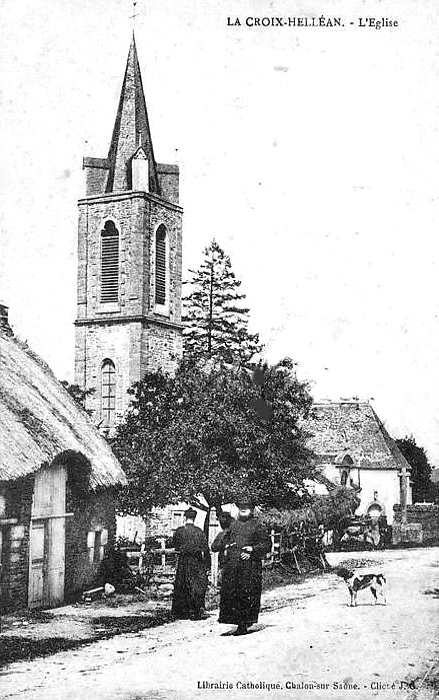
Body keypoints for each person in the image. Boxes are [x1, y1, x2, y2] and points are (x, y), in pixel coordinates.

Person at [218, 495, 271, 636]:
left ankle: (244, 624)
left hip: (250, 568)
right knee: (233, 594)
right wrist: (228, 545)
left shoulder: (257, 525)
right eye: (241, 506)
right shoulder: (234, 524)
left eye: (246, 507)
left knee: (247, 594)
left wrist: (252, 550)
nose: (243, 509)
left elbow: (267, 544)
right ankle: (238, 622)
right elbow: (224, 540)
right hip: (233, 566)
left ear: (251, 509)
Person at [171, 507, 211, 621]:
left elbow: (176, 546)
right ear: (194, 518)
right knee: (196, 585)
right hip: (197, 561)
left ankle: (182, 613)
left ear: (185, 517)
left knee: (182, 584)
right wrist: (207, 565)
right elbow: (206, 549)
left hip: (184, 560)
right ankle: (196, 611)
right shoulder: (199, 532)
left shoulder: (179, 531)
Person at [211, 511, 233, 585]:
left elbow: (214, 547)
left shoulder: (222, 534)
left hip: (225, 563)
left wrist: (222, 546)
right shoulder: (235, 532)